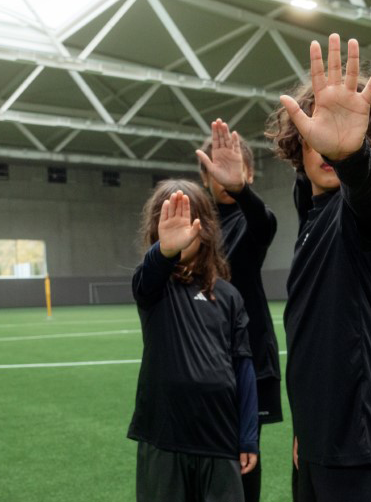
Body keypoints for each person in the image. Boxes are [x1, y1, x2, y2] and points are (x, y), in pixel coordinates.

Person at [266, 33, 371, 502]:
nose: (328, 151)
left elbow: (366, 192)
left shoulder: (364, 210)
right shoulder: (312, 219)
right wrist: (305, 427)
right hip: (318, 441)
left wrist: (352, 156)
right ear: (299, 145)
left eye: (350, 138)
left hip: (360, 447)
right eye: (316, 136)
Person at [128, 180, 258, 502]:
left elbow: (243, 368)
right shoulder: (153, 286)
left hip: (219, 437)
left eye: (189, 220)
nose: (180, 231)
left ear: (206, 229)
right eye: (169, 221)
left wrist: (248, 437)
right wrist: (165, 252)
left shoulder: (228, 295)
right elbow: (149, 275)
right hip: (164, 437)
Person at [196, 119, 283, 502]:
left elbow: (264, 224)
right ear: (205, 176)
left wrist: (240, 190)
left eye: (235, 168)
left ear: (247, 172)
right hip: (203, 362)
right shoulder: (194, 229)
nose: (224, 176)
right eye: (215, 169)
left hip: (249, 360)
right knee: (204, 459)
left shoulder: (252, 221)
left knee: (246, 457)